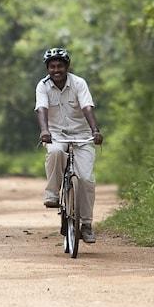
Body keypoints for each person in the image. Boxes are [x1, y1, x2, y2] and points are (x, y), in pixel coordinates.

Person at [35, 47, 104, 244]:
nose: (56, 70)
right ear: (47, 68)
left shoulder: (79, 83)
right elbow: (41, 108)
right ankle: (52, 193)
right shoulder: (43, 86)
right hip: (55, 134)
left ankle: (87, 224)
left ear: (67, 67)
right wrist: (45, 131)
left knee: (86, 179)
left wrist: (95, 130)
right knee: (56, 152)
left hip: (82, 134)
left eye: (60, 66)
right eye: (52, 67)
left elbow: (87, 106)